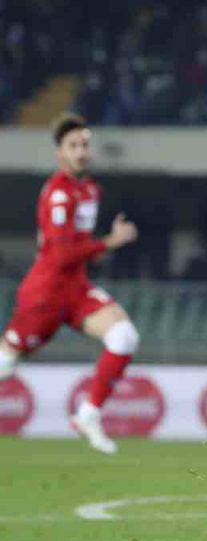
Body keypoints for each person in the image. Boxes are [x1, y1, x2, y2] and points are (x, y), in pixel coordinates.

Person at [0, 113, 140, 454]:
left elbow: (70, 249)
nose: (81, 151)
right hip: (44, 293)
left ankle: (88, 414)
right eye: (72, 145)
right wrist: (109, 242)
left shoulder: (89, 189)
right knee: (5, 363)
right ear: (59, 153)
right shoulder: (59, 195)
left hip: (75, 289)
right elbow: (61, 254)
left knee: (124, 336)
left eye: (84, 144)